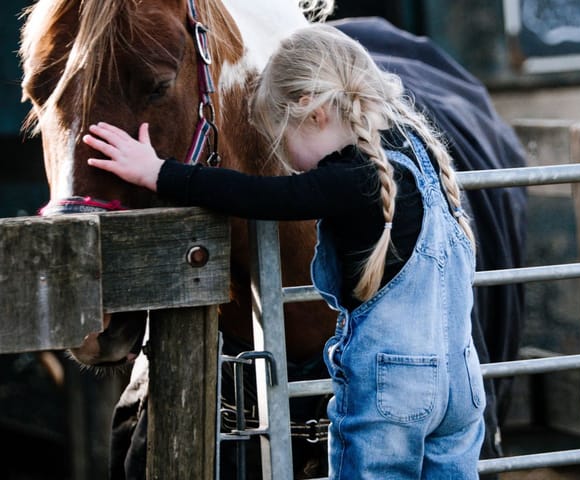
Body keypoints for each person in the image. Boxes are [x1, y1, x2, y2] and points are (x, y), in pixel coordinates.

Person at [84, 23, 485, 479]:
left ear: (313, 111)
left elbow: (261, 196)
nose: (285, 159)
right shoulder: (418, 150)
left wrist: (158, 172)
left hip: (391, 389)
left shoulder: (351, 178)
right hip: (462, 382)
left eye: (281, 135)